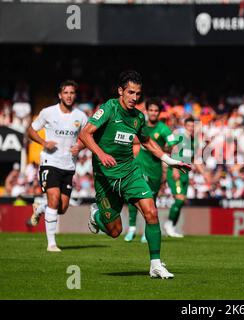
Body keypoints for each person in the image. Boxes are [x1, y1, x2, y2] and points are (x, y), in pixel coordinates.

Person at [79, 70, 191, 279]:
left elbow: (147, 142)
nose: (134, 98)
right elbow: (85, 133)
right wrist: (101, 154)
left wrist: (169, 160)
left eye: (138, 94)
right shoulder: (108, 109)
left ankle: (155, 264)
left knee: (151, 212)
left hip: (130, 172)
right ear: (120, 91)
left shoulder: (138, 117)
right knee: (114, 232)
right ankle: (96, 215)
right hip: (106, 177)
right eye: (130, 92)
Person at [27, 80, 87, 252]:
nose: (69, 96)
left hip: (68, 165)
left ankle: (40, 208)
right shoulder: (48, 112)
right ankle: (51, 244)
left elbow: (89, 137)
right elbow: (31, 130)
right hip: (50, 162)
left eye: (72, 93)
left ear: (75, 95)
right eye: (66, 93)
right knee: (53, 199)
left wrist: (80, 146)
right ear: (60, 95)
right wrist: (43, 142)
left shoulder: (81, 116)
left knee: (62, 207)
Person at [124, 99, 180, 243]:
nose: (153, 113)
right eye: (151, 110)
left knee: (150, 200)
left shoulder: (163, 128)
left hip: (155, 169)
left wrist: (165, 153)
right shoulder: (140, 124)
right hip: (138, 165)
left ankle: (146, 231)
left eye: (156, 111)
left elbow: (175, 146)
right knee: (133, 196)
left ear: (159, 113)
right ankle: (131, 228)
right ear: (147, 111)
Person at [165, 117, 206, 237]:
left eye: (193, 126)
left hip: (185, 174)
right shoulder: (179, 137)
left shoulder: (194, 142)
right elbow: (169, 147)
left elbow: (194, 160)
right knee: (179, 199)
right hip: (175, 172)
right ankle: (169, 224)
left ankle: (172, 227)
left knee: (181, 201)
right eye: (189, 126)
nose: (191, 128)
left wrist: (204, 174)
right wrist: (174, 169)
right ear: (185, 126)